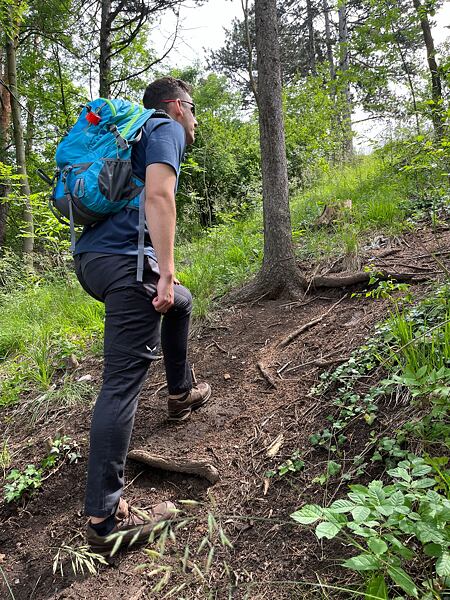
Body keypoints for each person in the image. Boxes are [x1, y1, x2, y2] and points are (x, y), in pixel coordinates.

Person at [73, 77, 212, 555]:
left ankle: (180, 391)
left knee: (183, 302)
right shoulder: (164, 128)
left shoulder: (127, 134)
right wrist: (166, 273)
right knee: (121, 381)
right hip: (127, 266)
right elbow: (159, 197)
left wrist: (173, 285)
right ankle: (105, 518)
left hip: (92, 262)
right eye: (193, 108)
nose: (195, 119)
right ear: (176, 106)